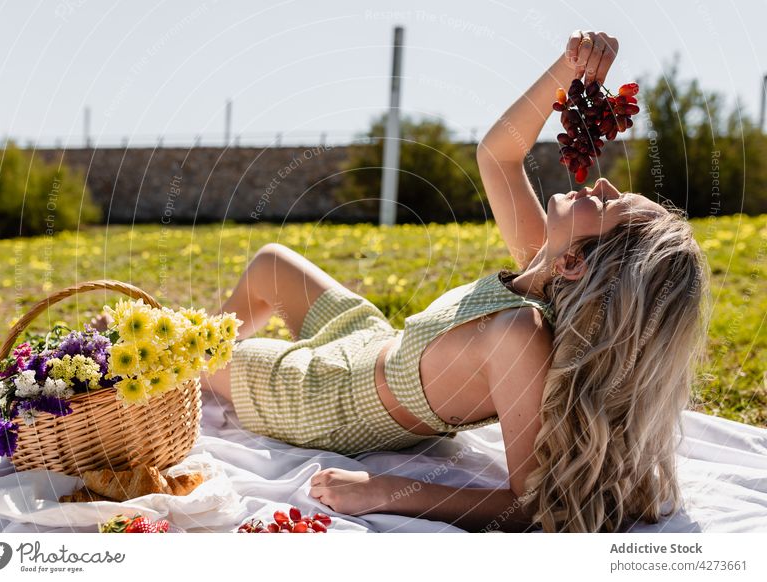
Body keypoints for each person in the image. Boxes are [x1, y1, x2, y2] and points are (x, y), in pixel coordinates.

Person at [201, 30, 709, 533]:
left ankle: (198, 381)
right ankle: (204, 384)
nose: (602, 183)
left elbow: (529, 501)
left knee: (178, 346)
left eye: (610, 205)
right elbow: (498, 155)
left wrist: (383, 491)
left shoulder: (519, 337)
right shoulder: (545, 268)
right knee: (270, 262)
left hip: (325, 396)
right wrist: (568, 67)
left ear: (578, 263)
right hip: (370, 341)